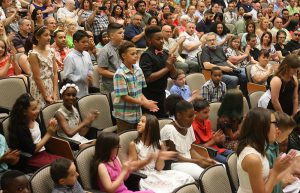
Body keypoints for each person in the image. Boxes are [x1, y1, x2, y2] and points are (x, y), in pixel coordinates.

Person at [128, 114, 194, 193]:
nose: (138, 123)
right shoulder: (134, 144)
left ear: (150, 127)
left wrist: (161, 157)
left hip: (156, 173)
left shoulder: (159, 144)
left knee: (186, 178)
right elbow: (133, 167)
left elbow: (159, 168)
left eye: (142, 122)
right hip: (143, 176)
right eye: (139, 121)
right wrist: (150, 158)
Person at [236, 107, 295, 193]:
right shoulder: (252, 158)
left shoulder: (258, 148)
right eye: (275, 124)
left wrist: (281, 168)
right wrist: (275, 171)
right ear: (263, 126)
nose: (277, 129)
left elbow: (265, 176)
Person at [160, 100, 216, 180]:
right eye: (190, 116)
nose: (193, 119)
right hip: (175, 164)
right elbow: (174, 157)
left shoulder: (189, 127)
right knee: (206, 176)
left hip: (190, 161)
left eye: (193, 116)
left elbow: (191, 149)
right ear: (179, 115)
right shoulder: (169, 130)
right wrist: (197, 161)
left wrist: (204, 159)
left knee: (218, 167)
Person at [113, 41, 158, 133]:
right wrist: (144, 103)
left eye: (136, 53)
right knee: (125, 140)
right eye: (132, 54)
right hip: (124, 115)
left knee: (137, 138)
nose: (136, 56)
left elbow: (139, 92)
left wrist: (147, 102)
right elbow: (124, 96)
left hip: (137, 113)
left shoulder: (138, 69)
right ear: (124, 56)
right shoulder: (119, 74)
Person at [8, 93, 60, 168]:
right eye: (33, 109)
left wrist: (50, 128)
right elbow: (33, 150)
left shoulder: (35, 119)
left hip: (44, 153)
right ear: (24, 112)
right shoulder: (20, 128)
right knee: (62, 167)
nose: (37, 110)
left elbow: (44, 139)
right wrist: (49, 134)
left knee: (68, 162)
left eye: (37, 107)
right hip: (31, 158)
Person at [139, 25, 177, 118]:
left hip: (162, 94)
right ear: (149, 40)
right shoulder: (146, 56)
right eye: (158, 39)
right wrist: (167, 68)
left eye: (162, 39)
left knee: (163, 120)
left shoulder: (165, 53)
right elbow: (147, 78)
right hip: (149, 96)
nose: (162, 41)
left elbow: (174, 76)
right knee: (152, 124)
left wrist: (171, 65)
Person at [55, 79, 99, 146]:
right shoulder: (59, 114)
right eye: (68, 95)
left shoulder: (75, 109)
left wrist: (89, 122)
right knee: (90, 148)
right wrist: (84, 122)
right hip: (70, 144)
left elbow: (81, 133)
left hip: (80, 140)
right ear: (62, 96)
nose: (71, 97)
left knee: (99, 142)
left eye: (74, 95)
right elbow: (70, 133)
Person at [192, 98, 233, 164]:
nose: (208, 115)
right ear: (196, 113)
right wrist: (214, 140)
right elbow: (198, 149)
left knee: (234, 156)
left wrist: (219, 140)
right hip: (207, 153)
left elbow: (212, 140)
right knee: (228, 162)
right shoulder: (192, 127)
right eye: (205, 112)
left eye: (208, 112)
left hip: (216, 149)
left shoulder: (207, 122)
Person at [266, 111, 298, 193]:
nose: (287, 137)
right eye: (287, 134)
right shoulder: (267, 151)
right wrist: (289, 168)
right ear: (278, 132)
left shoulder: (275, 144)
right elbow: (270, 179)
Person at [28, 26, 58, 108]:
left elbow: (55, 73)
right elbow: (37, 77)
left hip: (50, 84)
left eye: (49, 35)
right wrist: (46, 96)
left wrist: (55, 92)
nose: (49, 38)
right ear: (38, 37)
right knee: (42, 111)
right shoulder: (33, 54)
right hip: (39, 88)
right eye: (45, 35)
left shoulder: (51, 52)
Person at [64, 30, 93, 98]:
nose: (86, 44)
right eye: (83, 42)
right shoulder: (70, 57)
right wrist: (82, 78)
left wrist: (89, 75)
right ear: (75, 42)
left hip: (86, 89)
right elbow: (68, 76)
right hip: (75, 93)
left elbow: (90, 68)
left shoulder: (86, 54)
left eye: (87, 42)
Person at [98, 22, 123, 94]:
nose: (122, 35)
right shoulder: (105, 50)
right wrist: (118, 75)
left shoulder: (123, 47)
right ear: (112, 35)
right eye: (120, 33)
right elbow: (101, 71)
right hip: (110, 87)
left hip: (122, 83)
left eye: (123, 32)